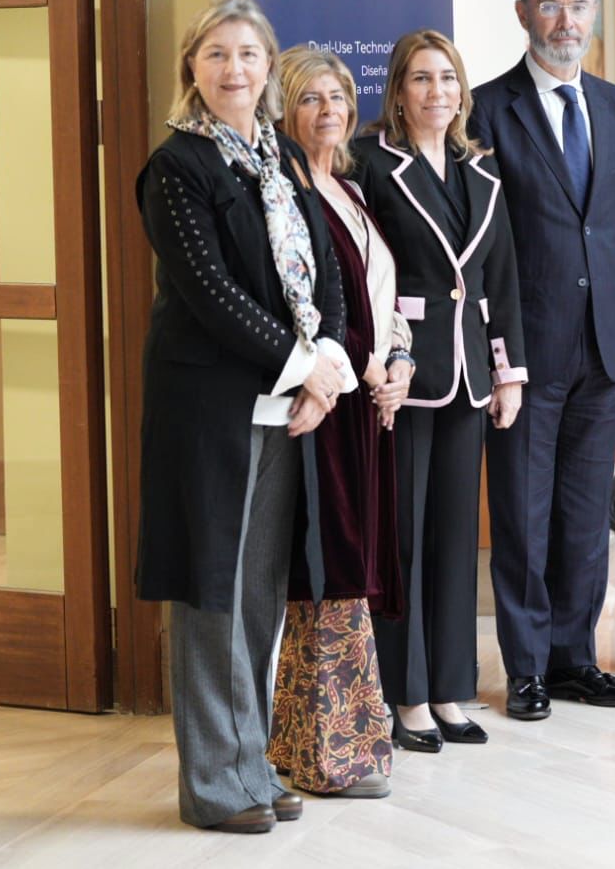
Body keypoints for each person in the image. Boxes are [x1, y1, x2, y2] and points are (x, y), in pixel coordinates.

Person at [136, 0, 352, 833]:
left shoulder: (280, 156)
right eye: (218, 54)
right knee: (211, 593)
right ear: (192, 66)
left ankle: (249, 762)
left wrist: (326, 369)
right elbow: (210, 294)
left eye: (249, 54)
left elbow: (324, 267)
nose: (235, 69)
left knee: (257, 593)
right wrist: (305, 365)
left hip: (284, 405)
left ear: (269, 68)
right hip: (209, 409)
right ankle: (214, 784)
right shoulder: (176, 166)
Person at [468, 0, 615, 721]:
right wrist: (497, 353)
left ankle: (574, 657)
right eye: (550, 6)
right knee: (523, 513)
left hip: (603, 348)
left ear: (594, 11)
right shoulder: (487, 110)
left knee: (585, 514)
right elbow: (480, 245)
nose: (567, 21)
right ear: (523, 14)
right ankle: (526, 668)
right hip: (526, 349)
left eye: (579, 5)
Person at [352, 29, 527, 747]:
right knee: (405, 541)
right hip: (403, 375)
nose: (437, 91)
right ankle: (406, 694)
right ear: (398, 91)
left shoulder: (481, 169)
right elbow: (361, 272)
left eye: (448, 78)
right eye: (422, 78)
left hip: (468, 376)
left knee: (457, 540)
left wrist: (508, 371)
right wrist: (380, 355)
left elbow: (499, 278)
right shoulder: (371, 163)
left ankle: (452, 687)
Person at [265, 48, 411, 797]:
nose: (328, 111)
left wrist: (400, 359)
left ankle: (308, 747)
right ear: (282, 110)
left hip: (363, 408)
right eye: (309, 98)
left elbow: (382, 298)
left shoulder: (349, 189)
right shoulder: (283, 193)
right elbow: (305, 308)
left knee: (344, 572)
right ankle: (332, 755)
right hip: (319, 407)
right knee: (324, 571)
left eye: (338, 97)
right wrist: (363, 367)